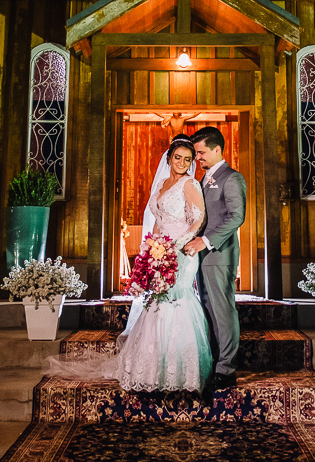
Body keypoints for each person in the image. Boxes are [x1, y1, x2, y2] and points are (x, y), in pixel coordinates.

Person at [45, 135, 212, 392]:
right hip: (159, 250)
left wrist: (176, 245)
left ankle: (182, 372)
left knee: (176, 299)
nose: (181, 162)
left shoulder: (190, 184)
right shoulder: (162, 186)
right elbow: (158, 219)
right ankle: (151, 368)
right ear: (168, 158)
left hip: (182, 252)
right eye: (177, 157)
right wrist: (150, 247)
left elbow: (198, 220)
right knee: (155, 300)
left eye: (187, 159)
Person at [184, 126, 247, 389]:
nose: (197, 158)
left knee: (222, 311)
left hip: (219, 254)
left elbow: (236, 216)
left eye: (201, 152)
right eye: (196, 153)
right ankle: (215, 362)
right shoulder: (203, 179)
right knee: (208, 309)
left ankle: (226, 370)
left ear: (217, 149)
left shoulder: (232, 178)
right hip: (203, 255)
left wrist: (206, 241)